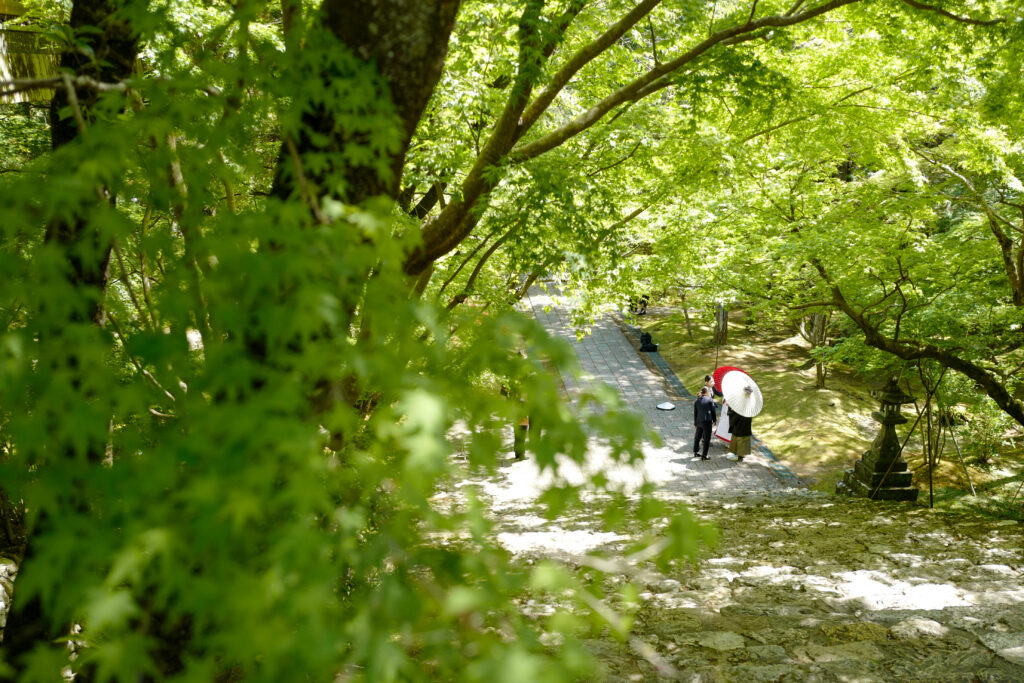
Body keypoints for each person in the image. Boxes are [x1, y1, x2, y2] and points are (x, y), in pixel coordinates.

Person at [692, 386, 718, 461]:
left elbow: (695, 413)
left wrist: (695, 424)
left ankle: (695, 451)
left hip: (699, 421)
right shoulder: (709, 400)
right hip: (707, 421)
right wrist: (715, 420)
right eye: (709, 391)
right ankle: (704, 455)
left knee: (697, 437)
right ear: (706, 392)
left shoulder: (697, 401)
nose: (710, 393)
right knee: (707, 438)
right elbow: (713, 411)